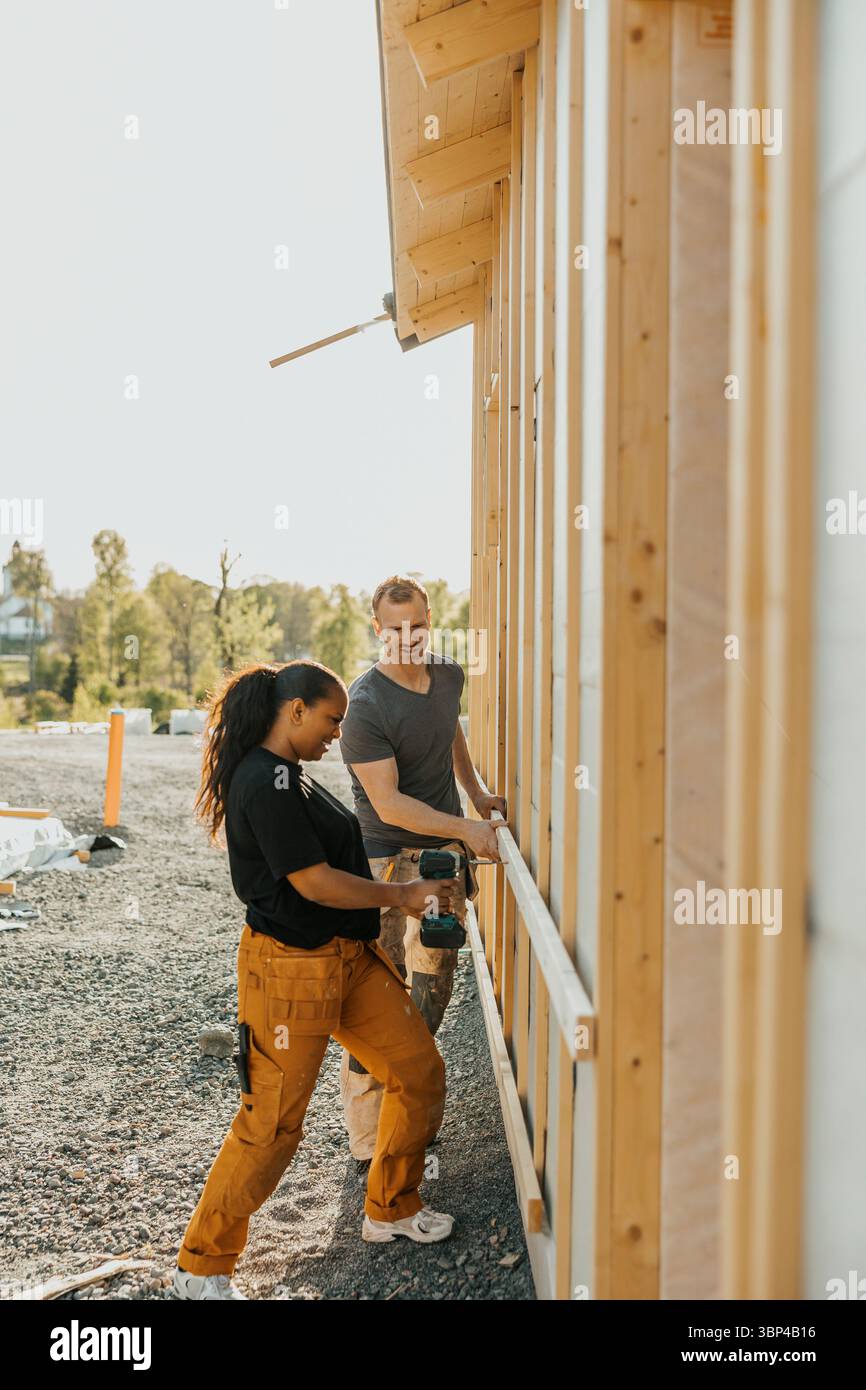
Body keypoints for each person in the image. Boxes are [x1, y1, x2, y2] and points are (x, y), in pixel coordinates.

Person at [172, 660, 461, 1301]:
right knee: (271, 1126)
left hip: (347, 960)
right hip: (288, 972)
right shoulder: (262, 780)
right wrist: (404, 895)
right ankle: (200, 1268)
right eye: (331, 720)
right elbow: (312, 882)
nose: (337, 733)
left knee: (418, 1072)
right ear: (295, 710)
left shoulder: (290, 776)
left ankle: (391, 1208)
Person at [337, 576, 506, 1169]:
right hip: (385, 863)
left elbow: (449, 731)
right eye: (395, 629)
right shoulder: (366, 707)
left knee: (432, 985)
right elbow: (389, 805)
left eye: (418, 627)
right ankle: (366, 1134)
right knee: (377, 992)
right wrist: (466, 830)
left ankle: (407, 1113)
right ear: (377, 629)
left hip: (440, 859)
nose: (408, 639)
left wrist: (478, 796)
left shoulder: (448, 676)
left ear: (429, 620)